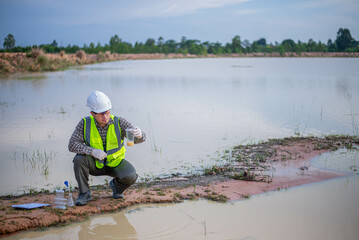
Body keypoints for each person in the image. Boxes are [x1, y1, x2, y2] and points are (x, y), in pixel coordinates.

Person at [68, 90, 145, 206]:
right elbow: (72, 144)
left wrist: (140, 135)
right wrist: (92, 151)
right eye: (101, 114)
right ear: (92, 113)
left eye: (107, 112)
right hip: (94, 164)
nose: (105, 117)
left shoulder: (120, 122)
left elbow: (133, 140)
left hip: (115, 163)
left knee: (131, 176)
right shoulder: (84, 123)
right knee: (79, 160)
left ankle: (116, 187)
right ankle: (84, 194)